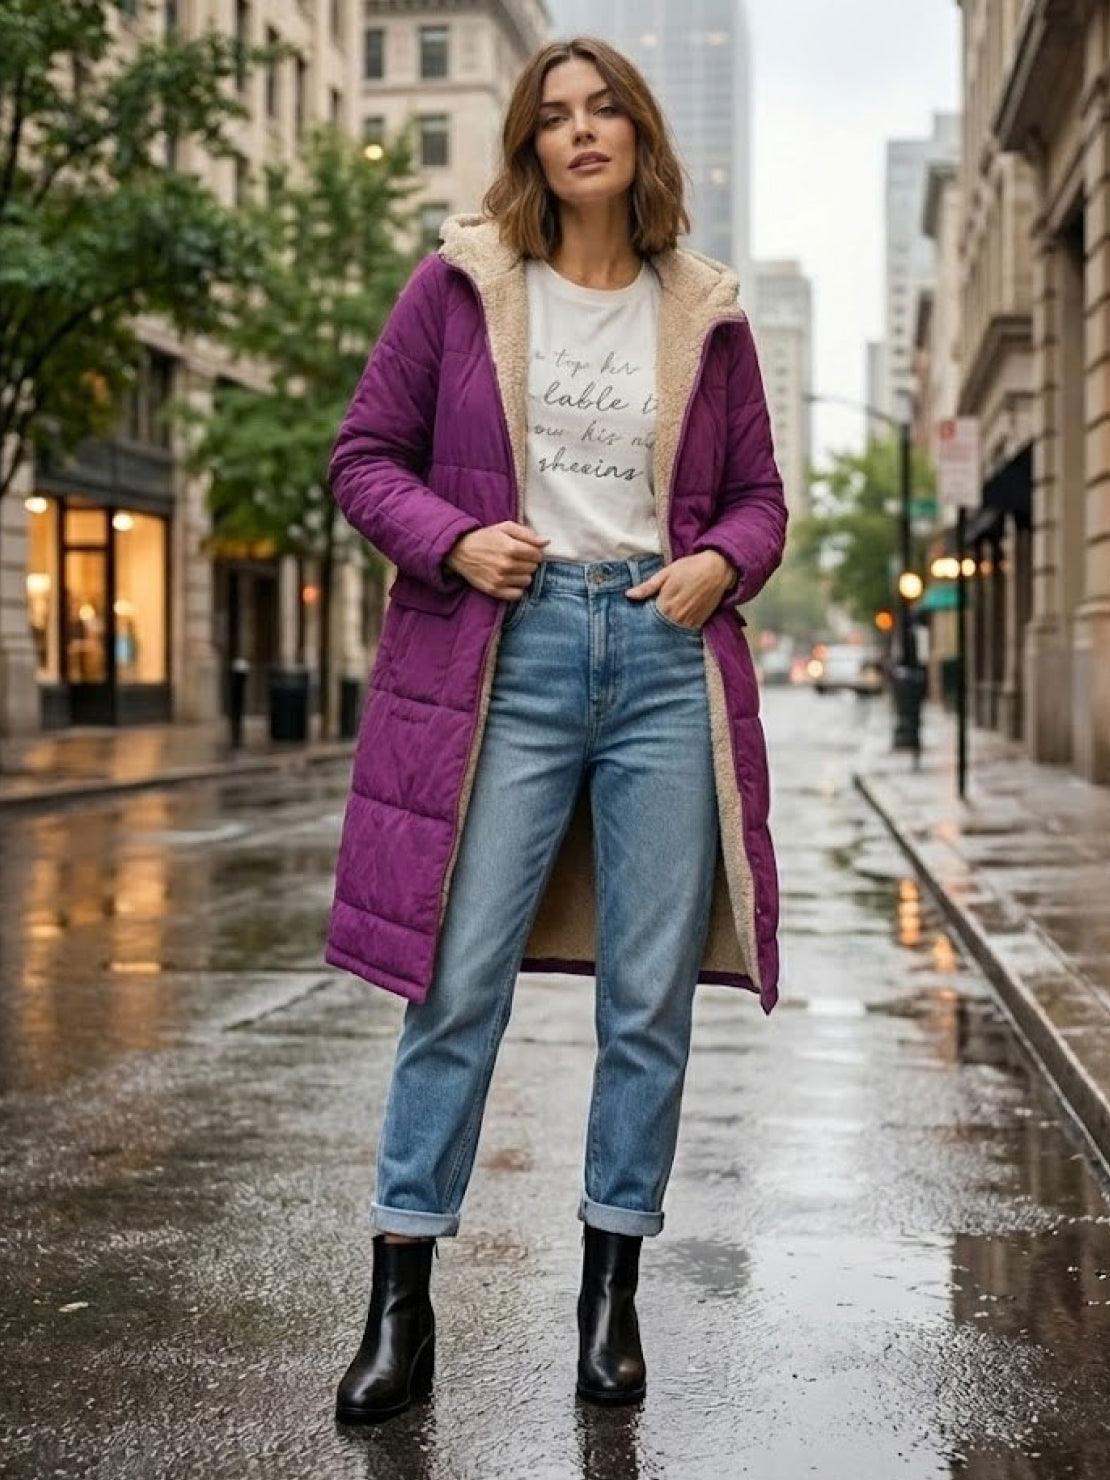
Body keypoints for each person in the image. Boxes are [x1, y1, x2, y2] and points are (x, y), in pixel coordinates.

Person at [327, 34, 788, 1423]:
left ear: (639, 137)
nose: (579, 133)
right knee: (453, 985)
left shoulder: (701, 309)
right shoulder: (462, 286)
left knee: (642, 1005)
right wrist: (454, 540)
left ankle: (610, 1302)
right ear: (527, 146)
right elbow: (361, 458)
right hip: (505, 657)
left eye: (603, 112)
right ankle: (399, 1307)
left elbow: (759, 497)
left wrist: (724, 564)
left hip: (657, 654)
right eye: (553, 117)